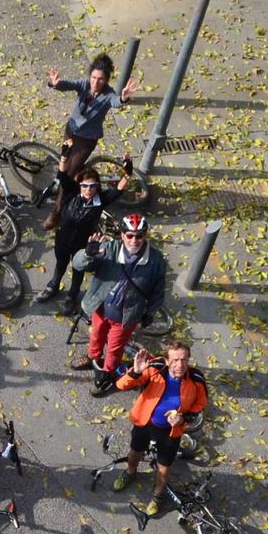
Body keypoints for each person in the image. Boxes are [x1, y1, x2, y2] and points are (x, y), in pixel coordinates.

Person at [40, 54, 141, 229]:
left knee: (68, 175)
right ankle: (61, 184)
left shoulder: (108, 94)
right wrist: (55, 84)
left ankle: (55, 213)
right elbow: (67, 85)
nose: (95, 82)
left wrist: (124, 97)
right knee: (63, 163)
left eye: (100, 79)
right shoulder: (84, 85)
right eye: (93, 78)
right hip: (71, 130)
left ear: (107, 80)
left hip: (86, 140)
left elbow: (116, 102)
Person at [70, 213, 167, 391]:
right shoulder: (108, 249)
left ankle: (107, 373)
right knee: (96, 335)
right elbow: (77, 264)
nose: (134, 240)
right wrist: (87, 254)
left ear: (145, 236)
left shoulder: (156, 260)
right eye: (129, 235)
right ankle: (93, 356)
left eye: (139, 236)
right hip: (101, 307)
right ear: (122, 235)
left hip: (126, 316)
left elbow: (158, 290)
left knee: (115, 347)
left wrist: (150, 312)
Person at [112, 343, 207, 512]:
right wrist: (136, 371)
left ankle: (157, 496)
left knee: (164, 466)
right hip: (145, 422)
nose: (180, 365)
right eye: (175, 360)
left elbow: (200, 404)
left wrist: (183, 419)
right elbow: (121, 385)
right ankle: (131, 472)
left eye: (184, 360)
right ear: (167, 360)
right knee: (135, 452)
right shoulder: (155, 367)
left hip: (171, 431)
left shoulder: (196, 379)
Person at [37, 170, 105, 310]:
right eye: (84, 185)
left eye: (92, 186)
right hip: (63, 239)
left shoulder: (100, 201)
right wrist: (63, 158)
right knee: (60, 264)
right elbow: (62, 176)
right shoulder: (72, 194)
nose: (88, 189)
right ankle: (52, 287)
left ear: (97, 186)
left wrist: (126, 175)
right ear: (79, 185)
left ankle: (72, 296)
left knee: (78, 269)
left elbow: (118, 191)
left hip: (82, 244)